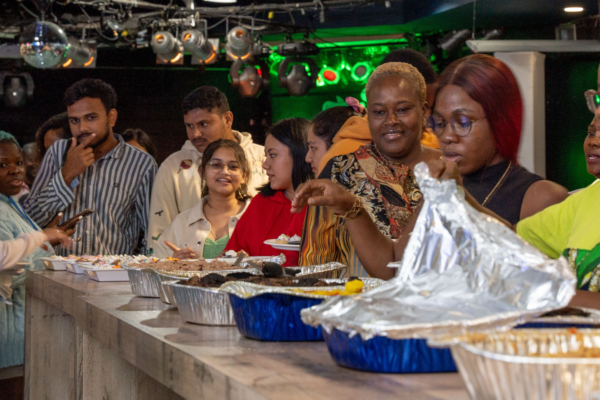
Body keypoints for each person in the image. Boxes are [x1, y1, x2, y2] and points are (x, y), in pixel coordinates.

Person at [299, 62, 442, 274]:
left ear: (423, 111)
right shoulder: (341, 171)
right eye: (379, 112)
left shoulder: (448, 169)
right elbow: (315, 261)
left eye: (402, 110)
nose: (391, 120)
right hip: (358, 301)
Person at [427, 54, 568, 224]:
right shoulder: (434, 185)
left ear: (500, 121)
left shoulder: (540, 197)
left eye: (463, 122)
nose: (447, 136)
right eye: (440, 122)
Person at [24, 78, 157, 256]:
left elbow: (152, 232)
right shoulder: (57, 153)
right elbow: (28, 221)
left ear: (111, 117)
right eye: (74, 120)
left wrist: (135, 272)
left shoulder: (142, 164)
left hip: (113, 276)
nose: (82, 128)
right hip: (57, 272)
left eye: (91, 118)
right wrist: (65, 175)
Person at [148, 86, 268, 255]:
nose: (195, 133)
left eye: (203, 124)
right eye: (189, 125)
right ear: (201, 171)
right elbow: (159, 233)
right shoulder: (173, 166)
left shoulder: (264, 159)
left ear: (227, 119)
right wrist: (172, 263)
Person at [0, 131, 72, 371]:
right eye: (3, 164)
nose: (15, 170)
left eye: (18, 162)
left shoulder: (9, 202)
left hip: (17, 334)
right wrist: (44, 244)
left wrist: (47, 238)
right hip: (7, 341)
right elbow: (7, 271)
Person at [224, 118, 312, 266]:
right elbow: (234, 256)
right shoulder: (261, 202)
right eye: (266, 156)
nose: (265, 165)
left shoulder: (325, 203)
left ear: (300, 153)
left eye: (272, 155)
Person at [152, 140, 251, 259]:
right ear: (202, 172)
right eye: (216, 165)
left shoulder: (257, 219)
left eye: (233, 167)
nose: (224, 172)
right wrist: (174, 264)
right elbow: (155, 267)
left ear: (244, 176)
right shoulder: (182, 222)